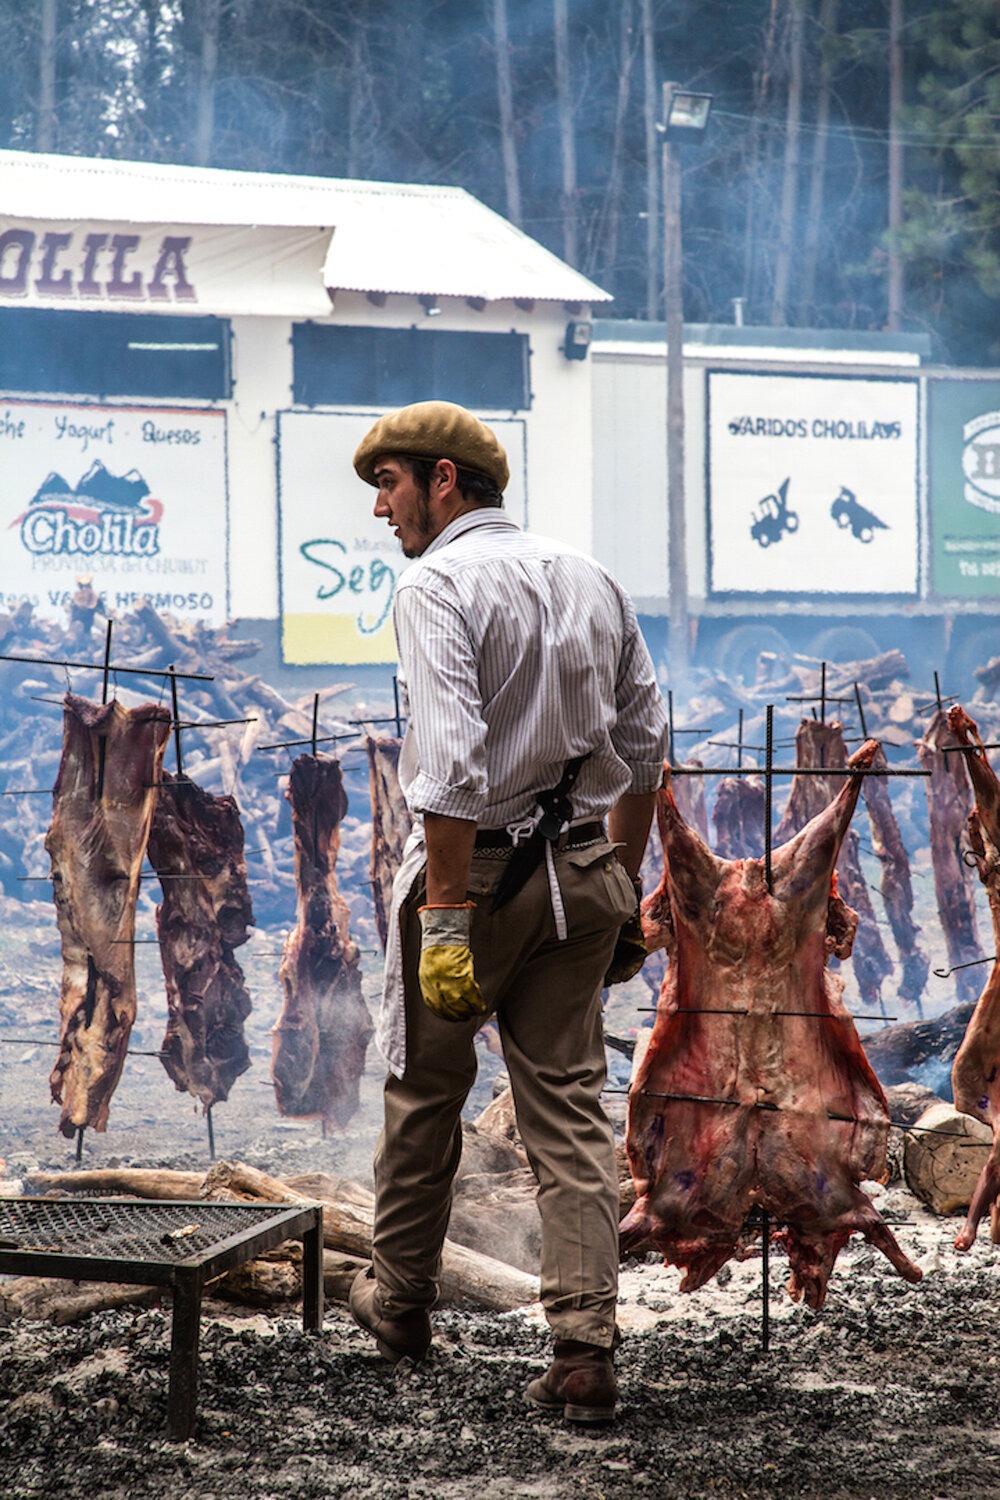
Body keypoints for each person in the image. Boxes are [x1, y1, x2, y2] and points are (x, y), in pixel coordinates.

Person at [347, 400, 670, 1423]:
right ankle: (583, 1351)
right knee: (568, 1109)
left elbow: (444, 775)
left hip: (470, 877)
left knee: (424, 1094)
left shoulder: (435, 583)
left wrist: (445, 922)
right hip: (579, 875)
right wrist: (618, 885)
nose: (381, 510)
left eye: (388, 485)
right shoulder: (589, 576)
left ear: (445, 480)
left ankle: (399, 1305)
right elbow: (647, 746)